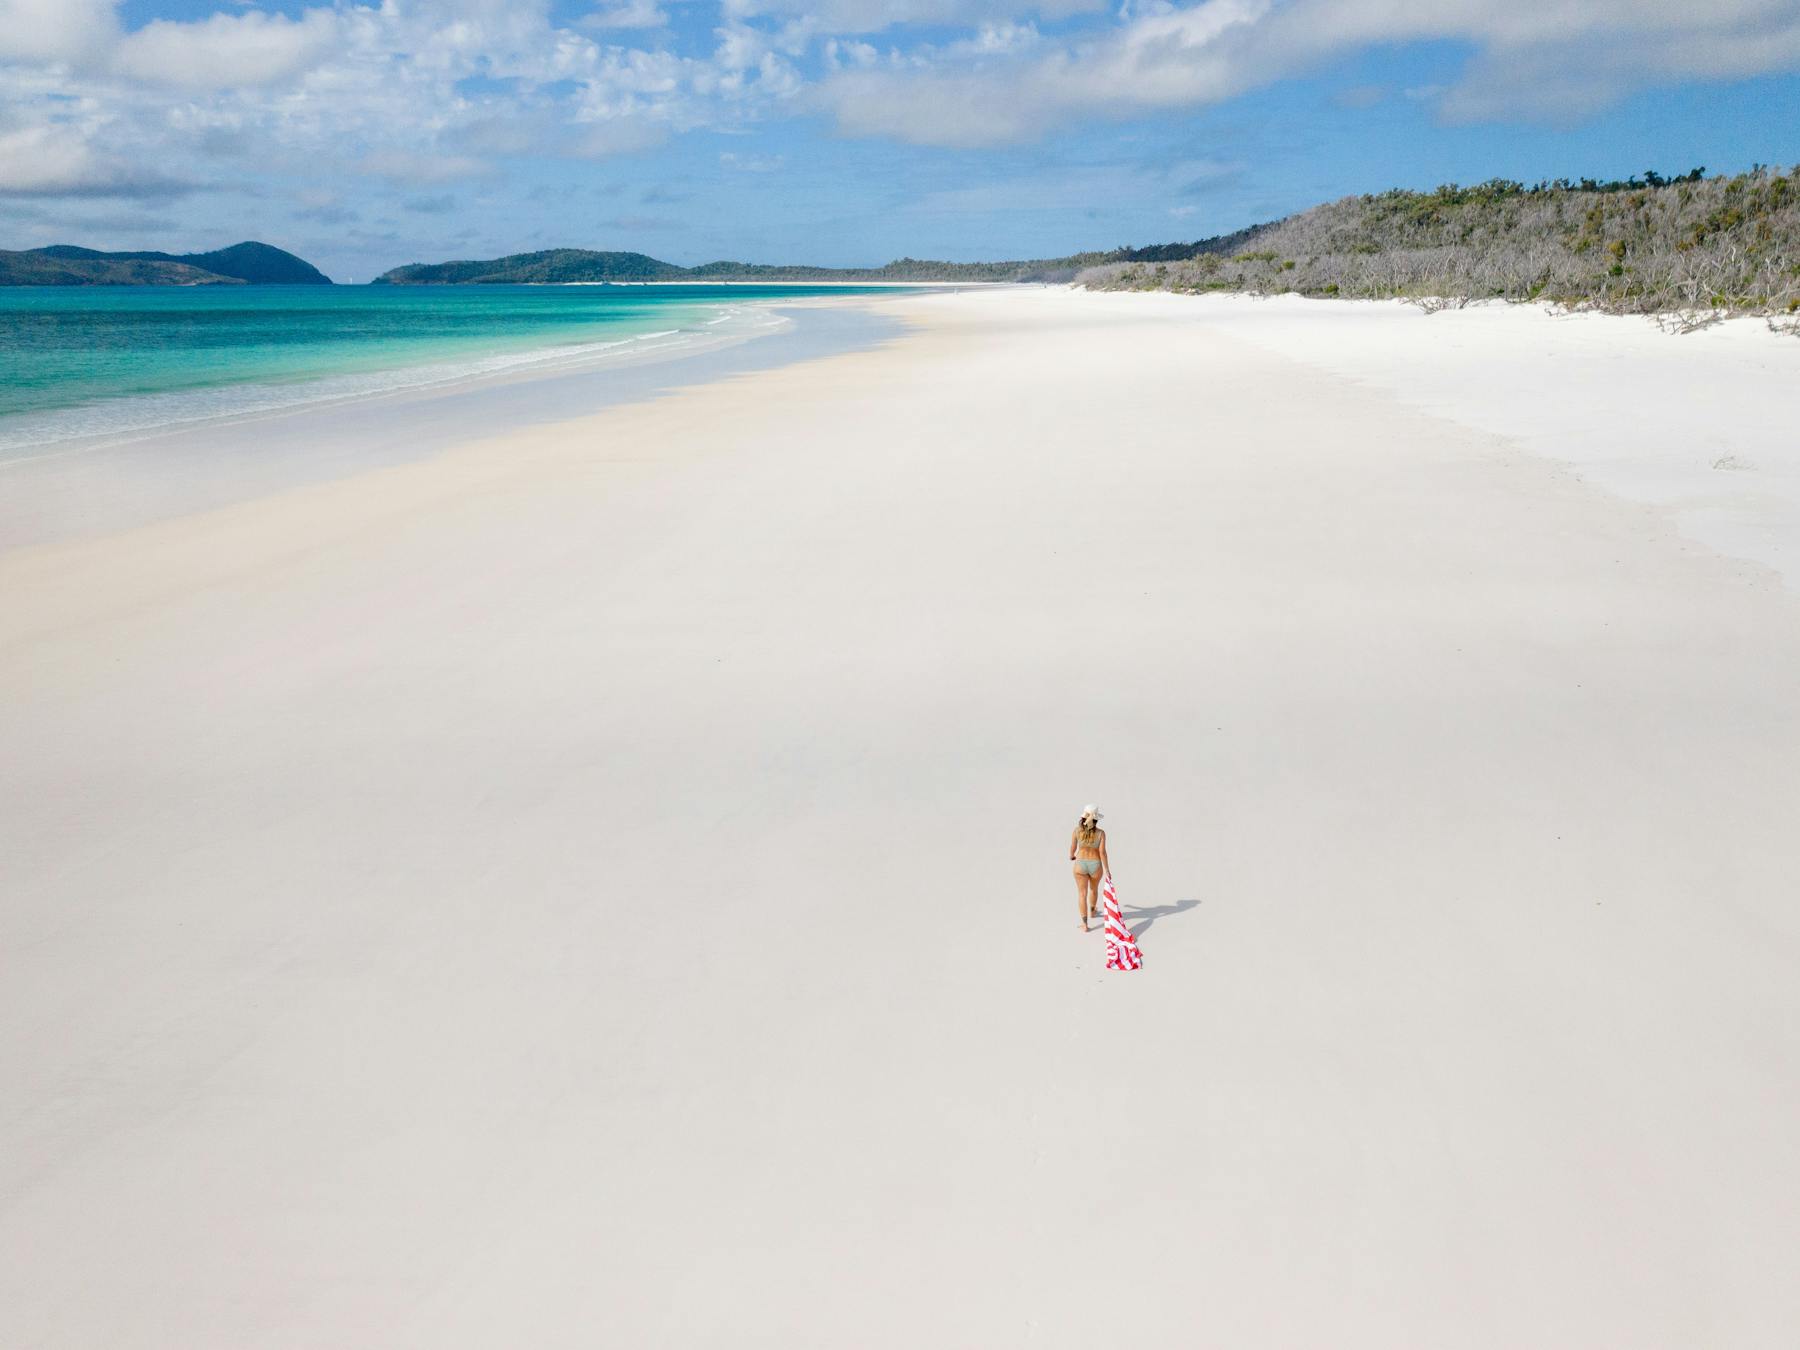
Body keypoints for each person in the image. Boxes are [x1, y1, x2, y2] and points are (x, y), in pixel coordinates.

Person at [1069, 804, 1111, 932]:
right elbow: (1102, 853)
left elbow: (1073, 847)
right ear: (1096, 819)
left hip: (1080, 864)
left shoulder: (1077, 831)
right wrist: (1107, 870)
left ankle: (1085, 924)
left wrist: (1071, 856)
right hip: (1096, 864)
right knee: (1093, 889)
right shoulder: (1101, 833)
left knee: (1082, 894)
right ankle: (1092, 911)